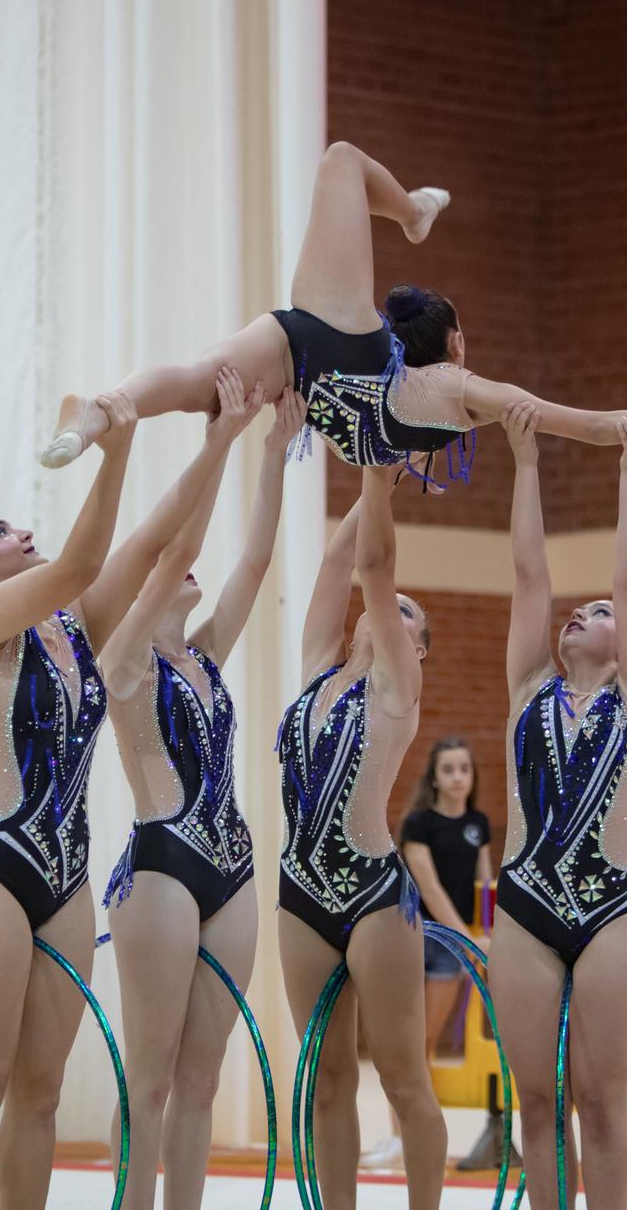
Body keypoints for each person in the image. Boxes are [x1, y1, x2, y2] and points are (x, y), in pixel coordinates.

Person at [0, 383, 259, 1210]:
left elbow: (153, 548)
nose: (20, 531)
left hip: (61, 877)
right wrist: (117, 449)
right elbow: (81, 562)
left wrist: (222, 440)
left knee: (41, 1093)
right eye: (1, 531)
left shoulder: (69, 628)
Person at [37, 141, 627, 478]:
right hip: (335, 405)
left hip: (330, 363)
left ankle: (413, 213)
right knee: (207, 384)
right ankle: (97, 415)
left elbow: (595, 421)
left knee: (343, 162)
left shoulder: (455, 384)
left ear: (452, 343)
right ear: (454, 343)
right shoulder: (460, 398)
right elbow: (595, 425)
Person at [97, 378, 306, 1209]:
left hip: (232, 867)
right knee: (148, 1076)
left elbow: (253, 561)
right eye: (171, 564)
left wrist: (272, 454)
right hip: (162, 867)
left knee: (202, 1076)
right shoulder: (123, 665)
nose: (191, 563)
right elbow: (169, 552)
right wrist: (214, 441)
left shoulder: (207, 655)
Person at [488, 402, 627, 1210]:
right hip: (524, 907)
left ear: (624, 639)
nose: (579, 614)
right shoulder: (528, 687)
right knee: (536, 1103)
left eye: (597, 615)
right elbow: (530, 576)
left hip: (612, 911)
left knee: (602, 1102)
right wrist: (524, 466)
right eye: (578, 611)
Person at [276, 468, 447, 1210]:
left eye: (408, 612)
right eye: (388, 606)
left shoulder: (399, 692)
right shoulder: (318, 669)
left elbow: (374, 569)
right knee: (328, 1076)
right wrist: (372, 477)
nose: (389, 608)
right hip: (299, 893)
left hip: (374, 893)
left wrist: (383, 477)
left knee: (404, 1076)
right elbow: (337, 565)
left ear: (418, 649)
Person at [358, 739, 495, 1172]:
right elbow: (429, 887)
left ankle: (416, 1138)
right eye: (449, 769)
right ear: (434, 777)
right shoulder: (419, 824)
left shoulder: (478, 824)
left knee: (424, 1045)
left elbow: (485, 886)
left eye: (464, 769)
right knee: (400, 1044)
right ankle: (398, 1139)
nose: (458, 776)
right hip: (410, 936)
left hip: (448, 947)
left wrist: (488, 933)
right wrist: (468, 937)